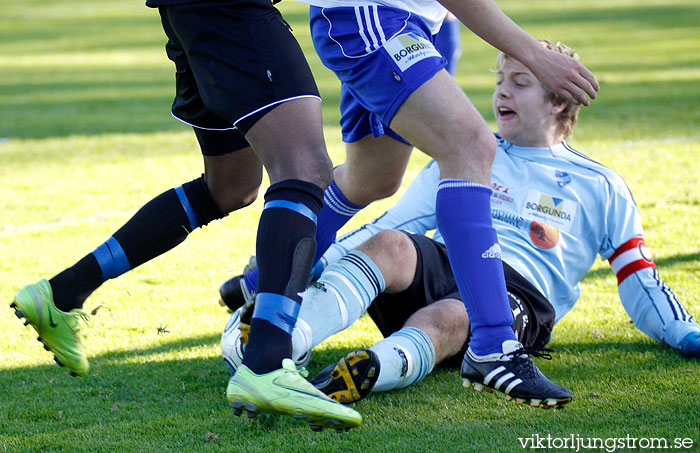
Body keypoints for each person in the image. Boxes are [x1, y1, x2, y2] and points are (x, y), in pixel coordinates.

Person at [220, 41, 700, 409]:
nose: (501, 92)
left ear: (559, 102)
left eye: (521, 82)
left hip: (520, 296)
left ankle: (371, 370)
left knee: (456, 314)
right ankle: (282, 342)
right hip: (447, 263)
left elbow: (640, 278)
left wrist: (685, 333)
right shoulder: (467, 153)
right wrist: (298, 266)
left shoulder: (600, 185)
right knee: (389, 243)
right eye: (499, 80)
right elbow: (394, 222)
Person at [10, 0, 361, 431]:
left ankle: (61, 293)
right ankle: (268, 360)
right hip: (230, 10)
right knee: (305, 168)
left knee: (230, 185)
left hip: (193, 13)